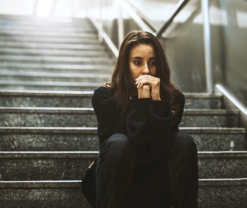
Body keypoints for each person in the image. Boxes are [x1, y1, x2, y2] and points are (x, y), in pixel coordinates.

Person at [81, 31, 198, 208]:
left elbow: (159, 146)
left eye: (153, 62)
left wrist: (158, 104)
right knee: (119, 142)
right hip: (121, 186)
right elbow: (123, 145)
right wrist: (142, 102)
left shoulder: (173, 99)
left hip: (156, 186)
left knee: (183, 141)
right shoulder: (104, 96)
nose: (146, 70)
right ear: (125, 65)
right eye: (137, 62)